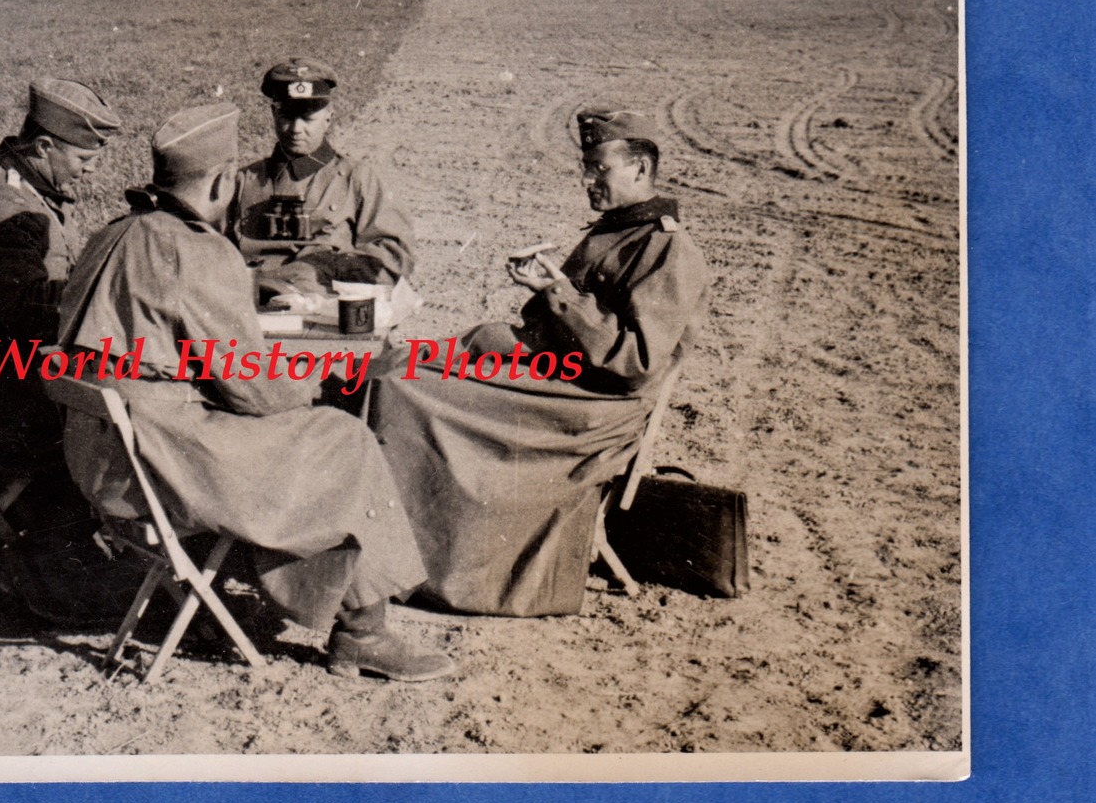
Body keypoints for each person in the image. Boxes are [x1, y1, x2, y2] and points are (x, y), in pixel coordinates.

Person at [56, 101, 454, 681]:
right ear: (221, 181)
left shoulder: (113, 234)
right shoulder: (194, 249)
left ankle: (296, 593)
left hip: (100, 458)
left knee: (299, 443)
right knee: (343, 438)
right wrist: (317, 379)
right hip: (162, 465)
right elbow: (256, 390)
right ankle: (362, 633)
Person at [370, 105, 713, 617]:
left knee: (402, 388)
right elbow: (571, 326)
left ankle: (404, 564)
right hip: (561, 385)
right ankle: (389, 552)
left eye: (600, 168)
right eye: (586, 166)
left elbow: (632, 361)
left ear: (640, 169)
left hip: (590, 411)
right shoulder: (619, 231)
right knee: (395, 365)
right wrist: (547, 290)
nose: (586, 179)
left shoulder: (668, 249)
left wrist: (559, 292)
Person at [0, 77, 122, 619]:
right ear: (43, 146)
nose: (89, 169)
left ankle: (68, 557)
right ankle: (56, 579)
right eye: (82, 157)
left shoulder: (25, 190)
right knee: (107, 419)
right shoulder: (3, 204)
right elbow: (29, 312)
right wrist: (112, 294)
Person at [232, 58, 415, 296]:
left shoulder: (356, 179)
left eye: (308, 119)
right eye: (287, 116)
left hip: (327, 305)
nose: (296, 129)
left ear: (328, 117)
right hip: (248, 302)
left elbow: (393, 257)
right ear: (274, 114)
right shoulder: (243, 181)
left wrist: (327, 268)